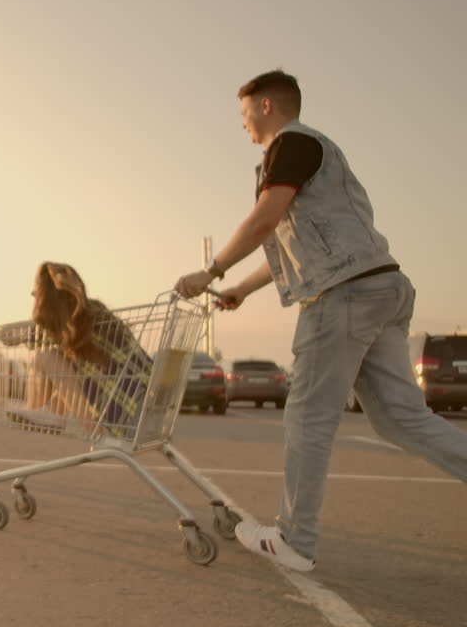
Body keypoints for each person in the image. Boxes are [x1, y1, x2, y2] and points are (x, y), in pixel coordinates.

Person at [174, 69, 467, 572]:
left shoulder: (291, 144)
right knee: (402, 418)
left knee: (308, 415)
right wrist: (240, 289)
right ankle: (296, 536)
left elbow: (264, 219)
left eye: (244, 113)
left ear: (267, 106)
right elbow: (286, 239)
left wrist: (211, 269)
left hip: (343, 296)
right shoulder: (311, 155)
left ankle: (295, 540)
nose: (242, 125)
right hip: (381, 286)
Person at [0, 262, 151, 439]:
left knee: (45, 357)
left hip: (128, 420)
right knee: (66, 364)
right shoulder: (97, 316)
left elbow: (9, 335)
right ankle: (51, 413)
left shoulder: (64, 328)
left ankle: (92, 433)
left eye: (35, 294)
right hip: (152, 411)